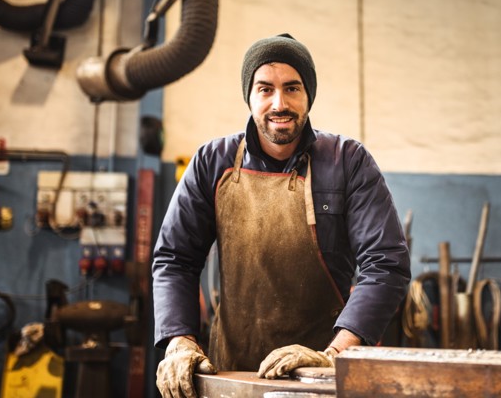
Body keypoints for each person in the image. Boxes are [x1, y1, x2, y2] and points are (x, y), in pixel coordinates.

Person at [153, 33, 411, 398]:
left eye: (292, 88)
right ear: (250, 96)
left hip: (322, 378)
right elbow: (175, 259)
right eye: (265, 89)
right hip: (230, 376)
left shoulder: (347, 161)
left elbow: (385, 264)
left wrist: (337, 354)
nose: (279, 103)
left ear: (309, 96)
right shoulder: (213, 162)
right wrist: (179, 342)